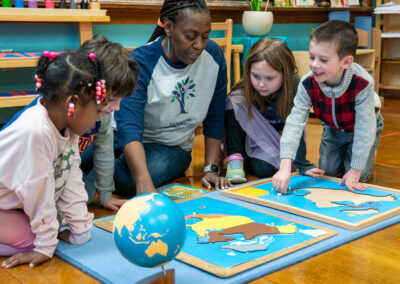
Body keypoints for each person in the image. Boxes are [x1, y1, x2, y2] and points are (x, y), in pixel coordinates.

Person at [0, 50, 112, 268]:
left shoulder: (66, 125)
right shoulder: (36, 132)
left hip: (12, 205)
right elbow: (37, 193)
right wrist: (44, 246)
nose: (99, 118)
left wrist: (80, 229)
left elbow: (69, 178)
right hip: (9, 204)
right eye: (97, 110)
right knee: (33, 240)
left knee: (51, 223)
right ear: (73, 103)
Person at [114, 0, 231, 196]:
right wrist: (143, 182)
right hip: (125, 138)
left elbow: (216, 115)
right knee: (78, 161)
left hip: (172, 147)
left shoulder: (214, 56)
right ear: (168, 27)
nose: (199, 45)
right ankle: (96, 173)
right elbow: (129, 127)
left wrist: (211, 169)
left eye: (205, 36)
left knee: (126, 182)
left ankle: (97, 175)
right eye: (190, 37)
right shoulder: (141, 61)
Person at [272, 20, 384, 193]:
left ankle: (361, 160)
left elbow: (364, 130)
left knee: (356, 177)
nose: (315, 64)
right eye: (311, 57)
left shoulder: (362, 84)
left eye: (323, 60)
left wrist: (355, 170)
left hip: (363, 128)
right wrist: (285, 165)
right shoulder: (308, 83)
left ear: (346, 62)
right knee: (329, 173)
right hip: (333, 128)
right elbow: (294, 123)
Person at [224, 38, 322, 183]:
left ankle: (249, 159)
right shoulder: (245, 89)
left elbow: (296, 128)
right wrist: (234, 151)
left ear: (285, 74)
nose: (261, 84)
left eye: (270, 78)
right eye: (255, 76)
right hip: (251, 139)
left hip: (281, 139)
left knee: (266, 169)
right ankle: (236, 158)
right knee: (234, 101)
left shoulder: (295, 88)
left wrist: (302, 163)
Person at [78, 35, 139, 211]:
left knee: (87, 193)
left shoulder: (101, 113)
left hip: (62, 170)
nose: (117, 108)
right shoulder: (61, 115)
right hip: (22, 177)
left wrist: (105, 195)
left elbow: (104, 151)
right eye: (112, 99)